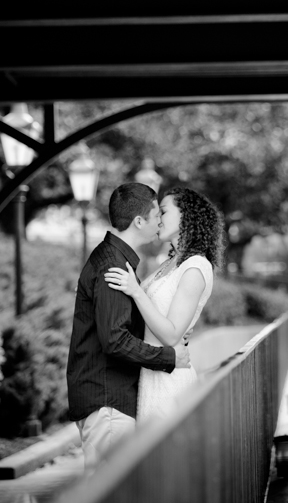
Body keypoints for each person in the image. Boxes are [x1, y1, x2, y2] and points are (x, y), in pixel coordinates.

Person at [66, 182, 190, 470]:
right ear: (139, 221)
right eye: (156, 214)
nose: (160, 220)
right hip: (108, 398)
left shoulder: (117, 260)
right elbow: (115, 340)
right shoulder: (113, 266)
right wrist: (170, 358)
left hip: (107, 396)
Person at [104, 187, 225, 420]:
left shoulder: (196, 266)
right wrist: (99, 290)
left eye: (164, 212)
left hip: (169, 380)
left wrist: (136, 291)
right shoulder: (171, 263)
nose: (157, 218)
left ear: (186, 215)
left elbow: (171, 336)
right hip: (149, 373)